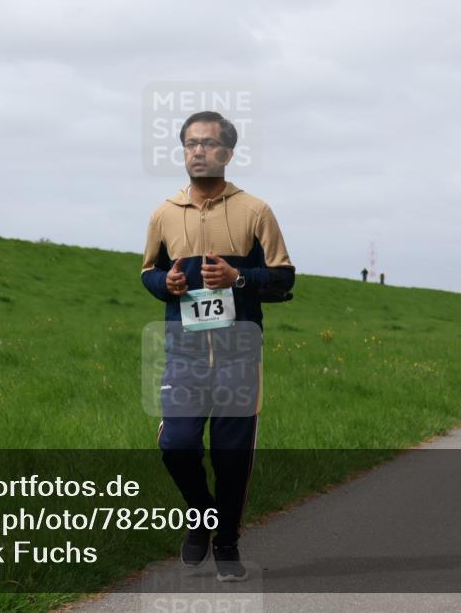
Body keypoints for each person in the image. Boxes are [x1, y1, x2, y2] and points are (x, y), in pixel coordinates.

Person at [141, 111, 295, 582]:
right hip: (184, 354)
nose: (198, 151)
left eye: (208, 144)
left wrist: (240, 277)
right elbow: (146, 271)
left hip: (238, 354)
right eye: (190, 144)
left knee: (231, 456)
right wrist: (163, 284)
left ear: (228, 153)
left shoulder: (255, 211)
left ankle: (226, 540)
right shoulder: (164, 213)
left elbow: (285, 279)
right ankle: (200, 514)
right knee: (177, 444)